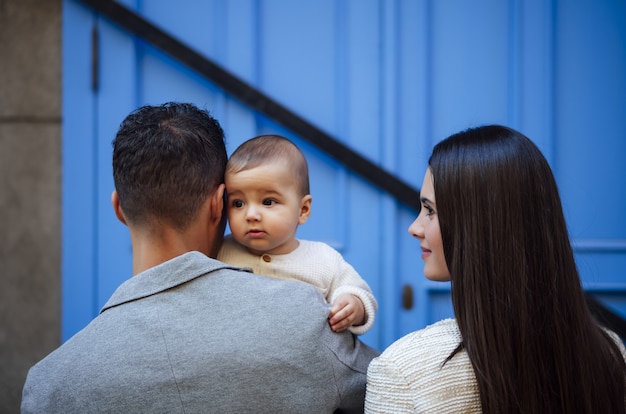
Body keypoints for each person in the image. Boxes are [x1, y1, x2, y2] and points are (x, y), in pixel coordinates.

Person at [21, 102, 379, 414]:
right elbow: (390, 387)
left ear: (119, 208)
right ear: (217, 204)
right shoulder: (306, 320)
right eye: (239, 203)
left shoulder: (49, 385)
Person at [365, 125, 626, 413]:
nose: (414, 228)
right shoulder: (611, 353)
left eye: (430, 210)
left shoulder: (402, 373)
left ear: (480, 227)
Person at [217, 134, 377, 334]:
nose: (251, 215)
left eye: (268, 202)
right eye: (238, 203)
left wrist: (353, 305)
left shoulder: (323, 259)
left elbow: (359, 292)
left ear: (303, 210)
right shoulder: (219, 252)